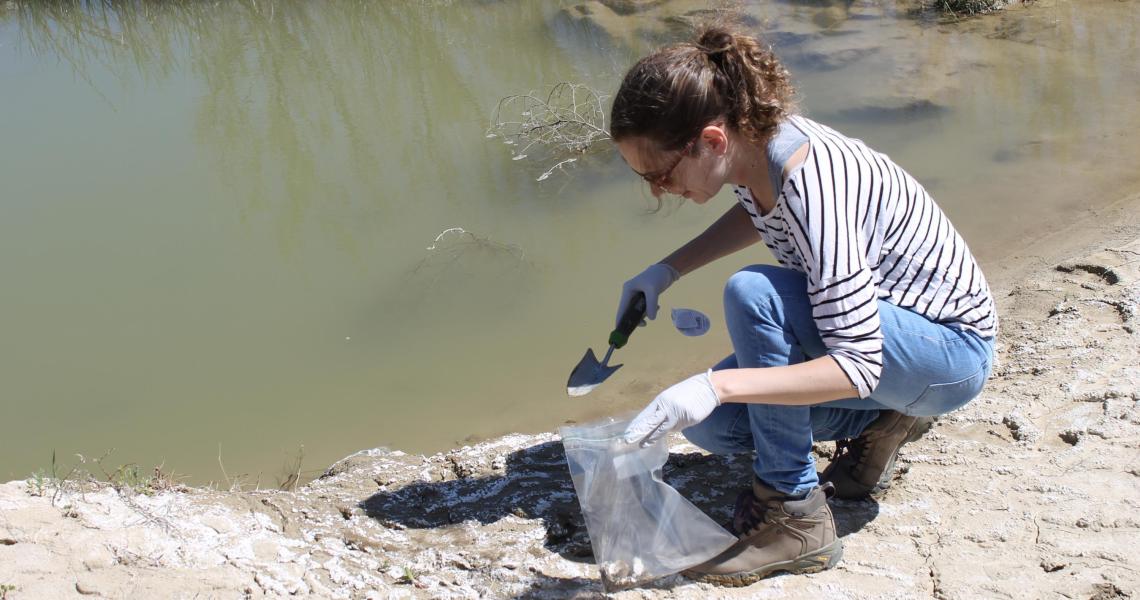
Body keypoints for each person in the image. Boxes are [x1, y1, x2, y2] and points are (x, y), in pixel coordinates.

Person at [611, 25, 997, 586]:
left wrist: (717, 383)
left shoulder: (812, 184)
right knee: (715, 426)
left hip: (948, 353)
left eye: (660, 174)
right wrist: (667, 270)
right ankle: (885, 421)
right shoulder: (756, 148)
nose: (656, 190)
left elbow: (859, 364)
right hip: (891, 350)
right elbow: (759, 211)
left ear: (712, 141)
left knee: (755, 293)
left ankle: (795, 517)